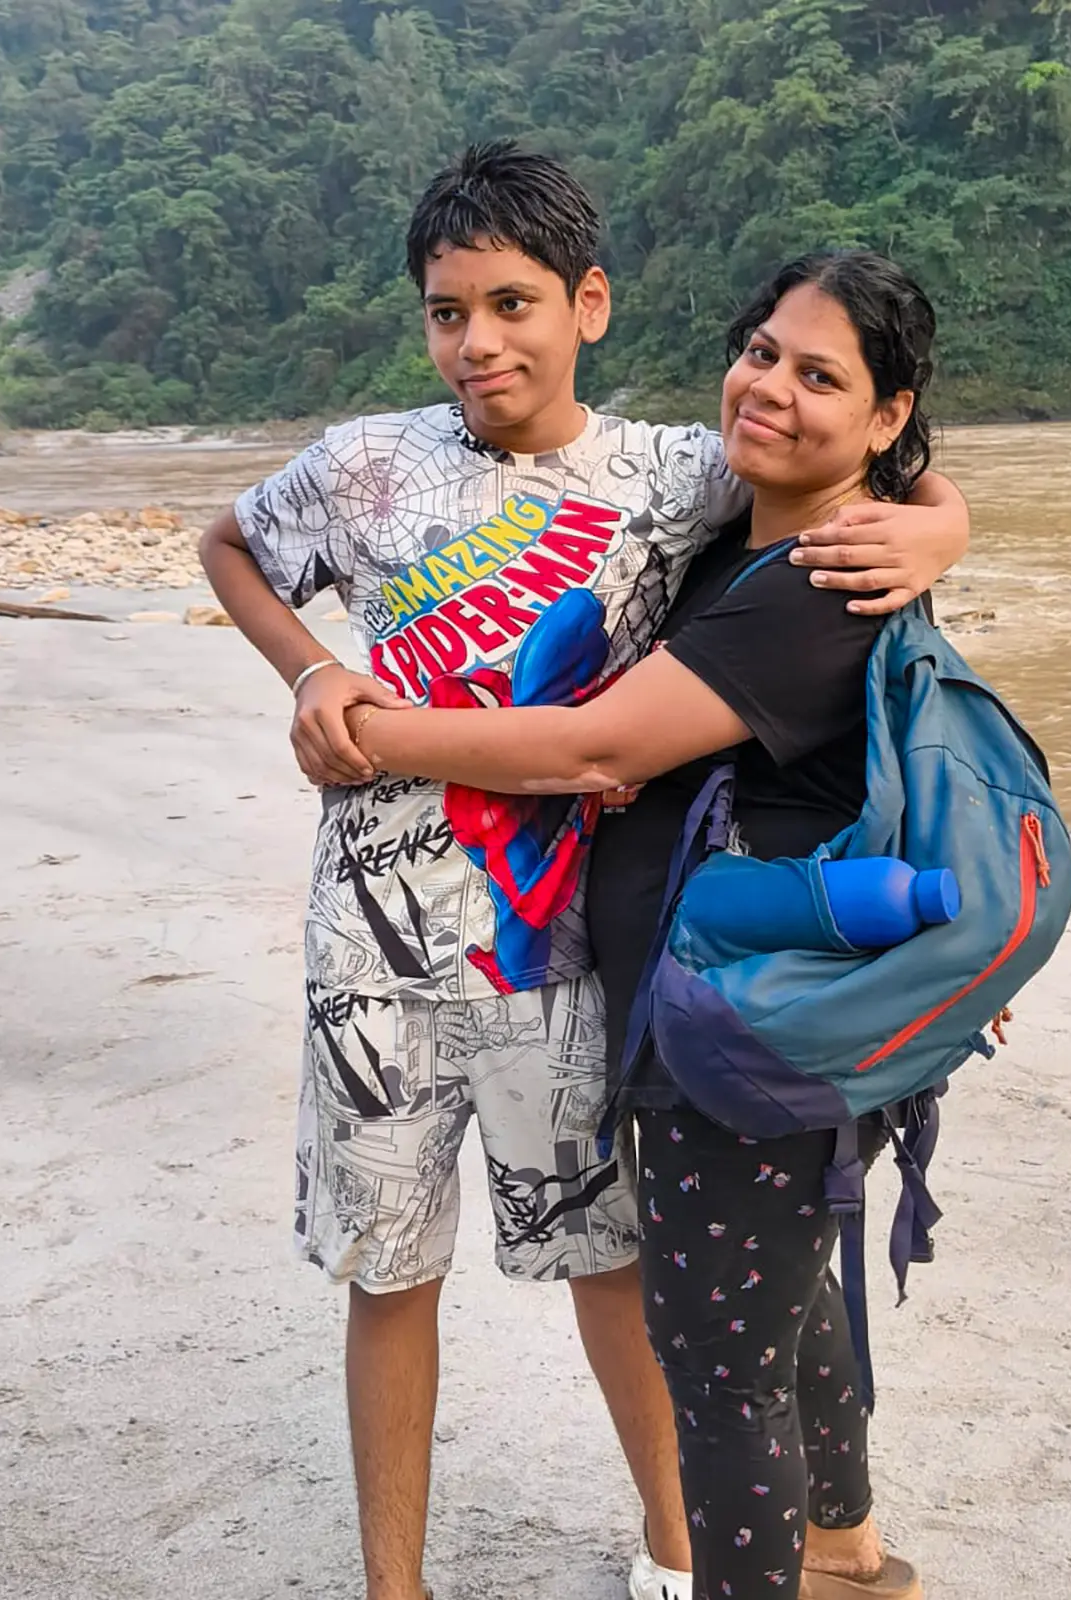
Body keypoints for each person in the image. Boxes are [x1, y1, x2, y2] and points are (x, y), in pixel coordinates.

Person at [201, 137, 965, 1600]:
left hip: (562, 962)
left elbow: (860, 485)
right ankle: (394, 1584)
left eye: (511, 303)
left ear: (589, 305)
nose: (477, 342)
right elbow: (229, 541)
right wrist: (308, 671)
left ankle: (676, 1551)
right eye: (446, 310)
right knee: (390, 1269)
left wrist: (941, 523)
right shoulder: (366, 460)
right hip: (371, 956)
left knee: (612, 1264)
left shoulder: (673, 474)